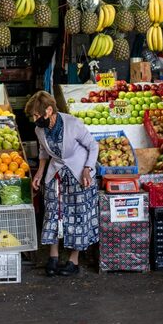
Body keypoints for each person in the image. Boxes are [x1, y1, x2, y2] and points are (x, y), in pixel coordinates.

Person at [26, 91, 99, 278]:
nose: (34, 119)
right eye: (32, 116)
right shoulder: (39, 130)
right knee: (52, 212)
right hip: (56, 173)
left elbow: (93, 146)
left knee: (77, 215)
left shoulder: (72, 124)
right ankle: (53, 257)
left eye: (36, 115)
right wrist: (40, 174)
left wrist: (87, 169)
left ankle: (73, 260)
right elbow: (43, 152)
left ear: (49, 110)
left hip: (79, 173)